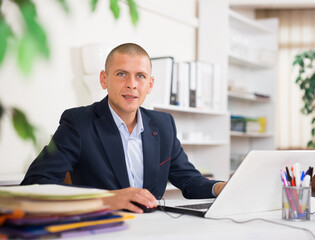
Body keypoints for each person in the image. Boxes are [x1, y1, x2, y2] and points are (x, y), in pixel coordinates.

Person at [21, 43, 226, 213]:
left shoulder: (164, 124)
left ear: (150, 84)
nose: (132, 84)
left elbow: (189, 181)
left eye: (140, 76)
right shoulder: (79, 122)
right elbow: (35, 183)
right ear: (104, 79)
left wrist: (221, 188)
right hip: (103, 227)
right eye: (121, 74)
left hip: (154, 229)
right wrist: (107, 198)